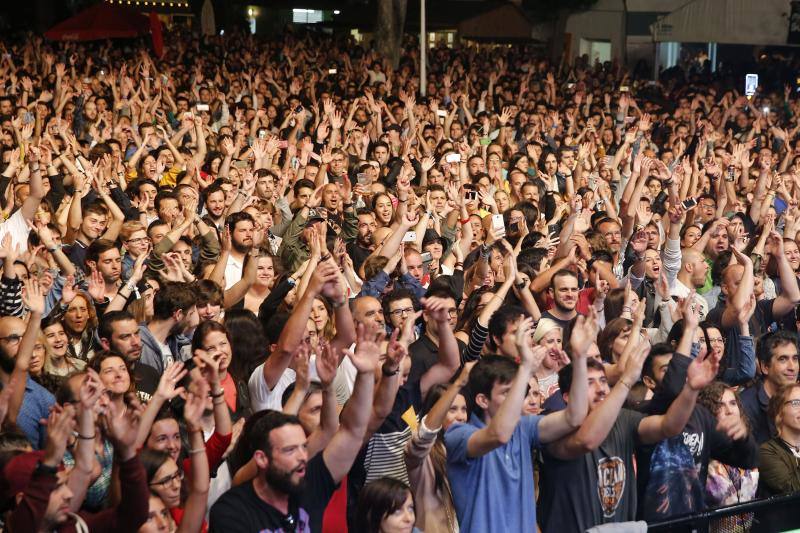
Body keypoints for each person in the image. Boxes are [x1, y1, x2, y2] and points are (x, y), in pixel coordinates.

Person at [445, 314, 590, 532]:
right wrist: (526, 369)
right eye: (507, 392)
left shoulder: (524, 427)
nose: (518, 398)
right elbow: (498, 435)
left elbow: (574, 417)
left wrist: (579, 359)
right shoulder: (459, 435)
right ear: (483, 400)